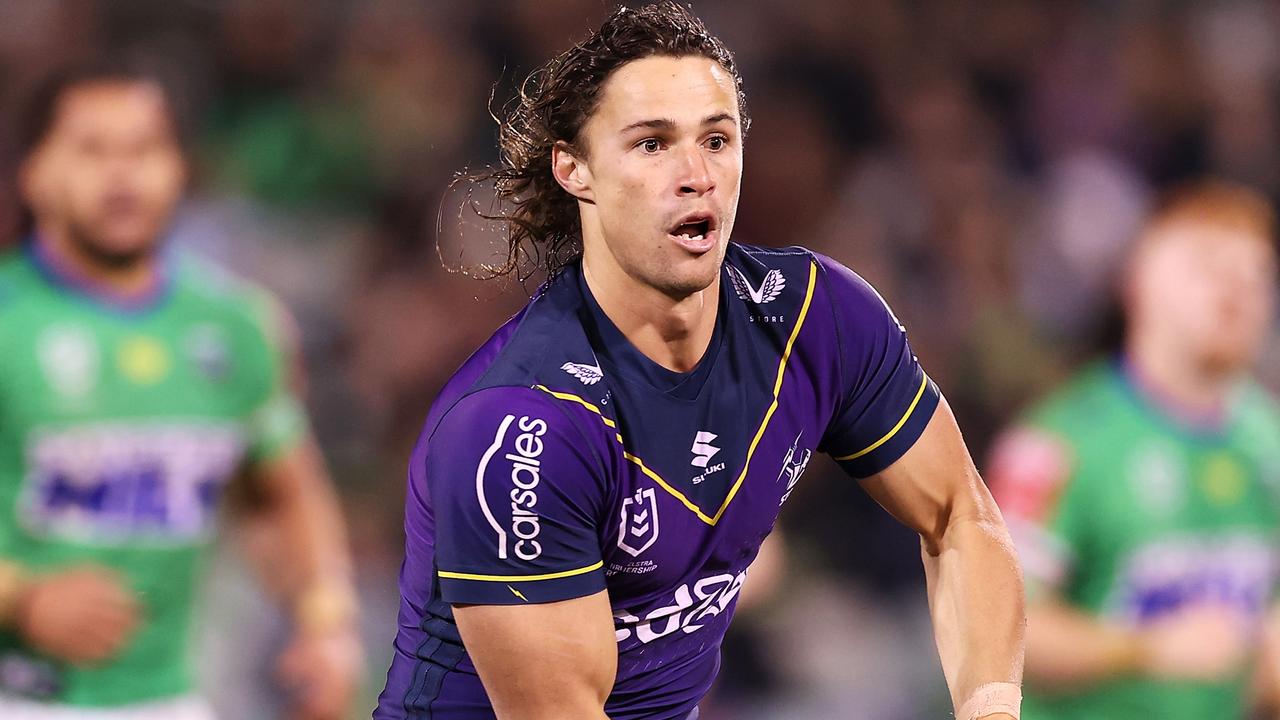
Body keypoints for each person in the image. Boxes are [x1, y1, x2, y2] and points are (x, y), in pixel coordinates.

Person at [375, 4, 1024, 719]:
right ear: (575, 169)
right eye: (652, 144)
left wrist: (991, 708)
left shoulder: (818, 317)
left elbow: (961, 516)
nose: (696, 174)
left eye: (717, 139)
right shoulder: (520, 429)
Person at [0, 59, 363, 719]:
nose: (122, 174)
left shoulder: (237, 326)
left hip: (167, 700)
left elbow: (281, 491)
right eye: (91, 150)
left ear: (178, 168)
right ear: (34, 173)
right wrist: (19, 596)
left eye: (144, 149)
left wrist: (324, 621)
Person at [988, 181, 1280, 719]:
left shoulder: (1270, 441)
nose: (1237, 290)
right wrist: (1143, 649)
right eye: (1210, 266)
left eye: (1256, 275)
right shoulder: (1058, 444)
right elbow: (991, 630)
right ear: (1140, 281)